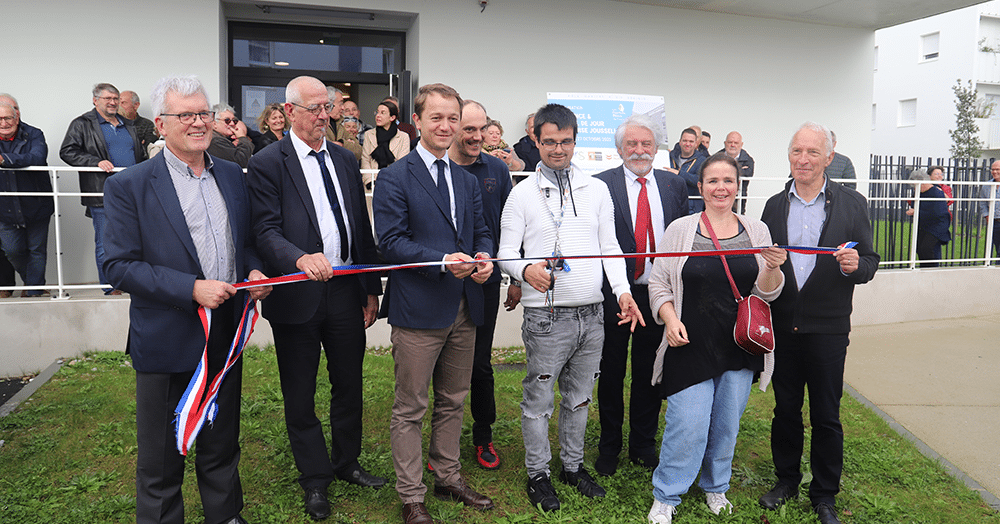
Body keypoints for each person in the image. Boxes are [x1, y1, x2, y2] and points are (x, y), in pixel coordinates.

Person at [102, 74, 272, 524]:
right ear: (161, 124)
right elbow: (118, 265)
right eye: (186, 115)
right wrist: (191, 289)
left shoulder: (234, 176)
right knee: (160, 454)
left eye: (205, 113)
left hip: (225, 333)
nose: (199, 123)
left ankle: (225, 513)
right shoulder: (130, 186)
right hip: (167, 338)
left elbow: (247, 241)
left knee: (221, 438)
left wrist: (253, 270)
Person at [246, 75, 386, 521]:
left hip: (345, 290)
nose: (325, 116)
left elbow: (359, 230)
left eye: (329, 108)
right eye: (314, 109)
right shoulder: (268, 162)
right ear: (289, 112)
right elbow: (264, 229)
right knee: (300, 392)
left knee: (349, 383)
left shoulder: (346, 160)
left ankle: (347, 462)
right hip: (296, 297)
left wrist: (369, 288)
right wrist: (299, 257)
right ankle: (314, 478)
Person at [497, 103, 644, 512]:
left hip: (592, 315)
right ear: (536, 143)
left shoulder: (597, 190)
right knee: (539, 401)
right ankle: (538, 474)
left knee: (580, 398)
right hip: (546, 317)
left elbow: (610, 247)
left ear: (576, 141)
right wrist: (526, 270)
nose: (557, 149)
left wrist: (622, 291)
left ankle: (573, 466)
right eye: (549, 142)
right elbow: (505, 252)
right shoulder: (521, 194)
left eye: (565, 141)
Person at [373, 83, 496, 524]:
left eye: (452, 119)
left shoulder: (466, 179)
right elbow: (390, 242)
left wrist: (484, 258)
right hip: (420, 309)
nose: (445, 127)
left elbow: (481, 231)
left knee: (453, 399)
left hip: (465, 305)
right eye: (436, 118)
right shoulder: (395, 176)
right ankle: (411, 496)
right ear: (418, 122)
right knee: (411, 406)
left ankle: (447, 474)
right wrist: (442, 261)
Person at [645, 153, 786, 523]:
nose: (721, 188)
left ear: (737, 186)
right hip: (688, 343)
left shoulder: (756, 231)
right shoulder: (680, 229)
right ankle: (667, 493)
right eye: (713, 181)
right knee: (686, 424)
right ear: (700, 186)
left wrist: (772, 267)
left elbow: (766, 293)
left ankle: (715, 486)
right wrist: (669, 318)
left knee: (726, 424)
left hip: (738, 344)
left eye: (728, 181)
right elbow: (659, 282)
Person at [758, 122, 879, 524]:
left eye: (812, 152)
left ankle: (824, 494)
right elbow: (764, 266)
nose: (803, 160)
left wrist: (854, 266)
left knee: (827, 414)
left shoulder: (852, 203)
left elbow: (870, 262)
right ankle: (786, 481)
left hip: (828, 328)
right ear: (789, 156)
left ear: (829, 158)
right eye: (797, 151)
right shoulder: (774, 206)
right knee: (785, 409)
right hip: (785, 325)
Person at [593, 114, 688, 477]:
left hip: (658, 294)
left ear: (657, 149)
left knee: (651, 371)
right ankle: (609, 446)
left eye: (646, 144)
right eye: (631, 144)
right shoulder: (601, 185)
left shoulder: (673, 186)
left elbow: (681, 238)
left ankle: (643, 444)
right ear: (619, 149)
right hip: (615, 294)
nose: (639, 150)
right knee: (613, 371)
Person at [447, 100, 517, 470]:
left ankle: (483, 436)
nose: (476, 137)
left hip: (485, 281)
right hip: (441, 283)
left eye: (481, 129)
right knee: (441, 367)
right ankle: (445, 441)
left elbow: (509, 228)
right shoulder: (436, 169)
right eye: (468, 129)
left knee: (480, 365)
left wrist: (514, 277)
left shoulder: (496, 170)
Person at [60, 82, 146, 295]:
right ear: (95, 100)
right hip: (102, 191)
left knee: (136, 240)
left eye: (115, 99)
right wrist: (94, 162)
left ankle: (134, 283)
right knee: (106, 242)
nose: (112, 102)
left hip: (133, 191)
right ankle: (110, 287)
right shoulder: (82, 123)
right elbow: (67, 151)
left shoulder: (128, 124)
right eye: (107, 98)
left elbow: (139, 155)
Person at [0, 102, 51, 297]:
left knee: (37, 251)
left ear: (16, 118)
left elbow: (37, 157)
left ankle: (33, 292)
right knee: (12, 251)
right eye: (0, 119)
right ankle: (33, 284)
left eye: (8, 118)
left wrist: (4, 160)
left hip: (36, 203)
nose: (4, 123)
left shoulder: (34, 134)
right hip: (5, 208)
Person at [905, 169, 950, 268]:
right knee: (919, 248)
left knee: (927, 247)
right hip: (924, 224)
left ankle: (931, 270)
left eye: (917, 186)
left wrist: (916, 211)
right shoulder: (918, 192)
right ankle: (924, 268)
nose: (915, 189)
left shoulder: (936, 193)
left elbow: (937, 213)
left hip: (937, 226)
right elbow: (913, 204)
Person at [667, 128, 707, 214]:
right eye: (685, 141)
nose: (687, 144)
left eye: (691, 141)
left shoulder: (702, 160)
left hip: (691, 207)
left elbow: (699, 181)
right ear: (680, 142)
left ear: (696, 143)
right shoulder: (669, 157)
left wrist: (679, 173)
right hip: (671, 204)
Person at [361, 100, 409, 171]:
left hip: (394, 179)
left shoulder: (403, 137)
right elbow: (365, 161)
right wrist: (370, 180)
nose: (378, 115)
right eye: (377, 112)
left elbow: (402, 163)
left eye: (382, 113)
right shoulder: (369, 134)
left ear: (392, 117)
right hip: (373, 179)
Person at [208, 104, 254, 168]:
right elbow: (241, 162)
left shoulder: (219, 138)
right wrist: (242, 138)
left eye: (234, 120)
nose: (232, 124)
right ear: (214, 124)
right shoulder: (215, 141)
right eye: (227, 121)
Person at [721, 131, 755, 214]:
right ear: (725, 143)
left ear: (741, 144)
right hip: (719, 196)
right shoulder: (715, 158)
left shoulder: (748, 160)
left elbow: (748, 175)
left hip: (738, 198)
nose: (732, 145)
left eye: (736, 143)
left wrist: (725, 172)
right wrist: (739, 170)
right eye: (730, 142)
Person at [979, 160, 1000, 258]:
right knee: (994, 248)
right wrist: (986, 215)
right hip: (994, 222)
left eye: (997, 169)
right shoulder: (987, 185)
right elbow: (982, 202)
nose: (995, 172)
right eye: (993, 169)